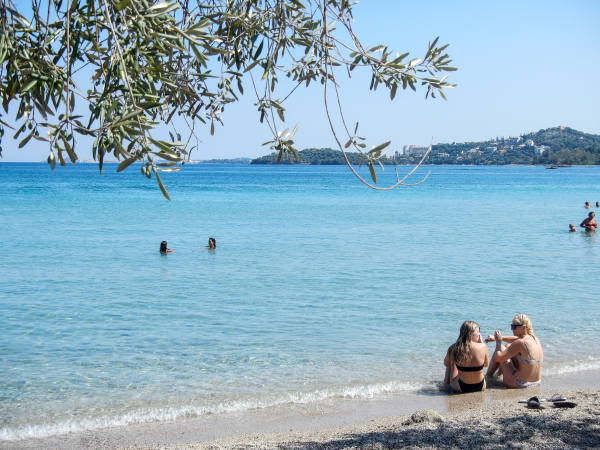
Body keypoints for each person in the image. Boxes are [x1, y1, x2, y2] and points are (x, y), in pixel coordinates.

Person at [485, 314, 543, 388]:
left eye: (514, 327)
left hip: (519, 383)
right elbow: (516, 339)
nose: (511, 329)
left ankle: (488, 377)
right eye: (511, 326)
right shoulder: (535, 338)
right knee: (508, 346)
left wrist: (498, 343)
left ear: (523, 327)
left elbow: (498, 358)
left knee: (502, 348)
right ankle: (497, 375)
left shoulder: (520, 343)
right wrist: (498, 338)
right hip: (537, 382)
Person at [443, 321, 489, 393]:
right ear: (470, 333)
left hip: (461, 387)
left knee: (452, 360)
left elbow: (446, 364)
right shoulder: (483, 346)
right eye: (478, 331)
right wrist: (480, 343)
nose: (479, 334)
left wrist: (455, 358)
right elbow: (486, 365)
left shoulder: (454, 348)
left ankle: (445, 386)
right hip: (481, 386)